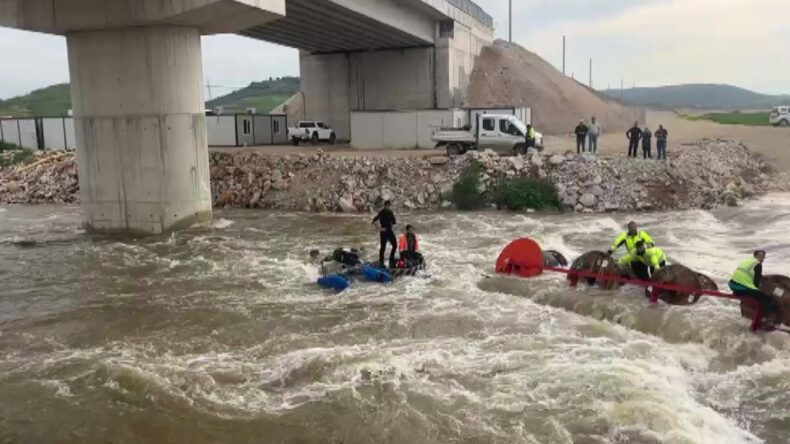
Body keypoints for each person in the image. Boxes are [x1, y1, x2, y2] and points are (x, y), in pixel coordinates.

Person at [729, 250, 781, 326]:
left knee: (759, 294)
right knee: (767, 298)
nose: (762, 259)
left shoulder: (748, 261)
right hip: (743, 288)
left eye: (763, 257)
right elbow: (756, 283)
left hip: (734, 286)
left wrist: (761, 277)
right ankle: (766, 318)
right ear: (756, 256)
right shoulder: (757, 264)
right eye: (762, 256)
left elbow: (751, 275)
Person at [372, 200, 397, 268]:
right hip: (383, 231)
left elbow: (394, 222)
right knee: (383, 247)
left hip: (390, 231)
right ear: (385, 205)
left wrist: (393, 229)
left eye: (389, 205)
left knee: (395, 245)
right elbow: (374, 221)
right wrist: (379, 228)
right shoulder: (382, 212)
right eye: (387, 205)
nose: (388, 207)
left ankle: (391, 258)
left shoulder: (390, 212)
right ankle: (381, 262)